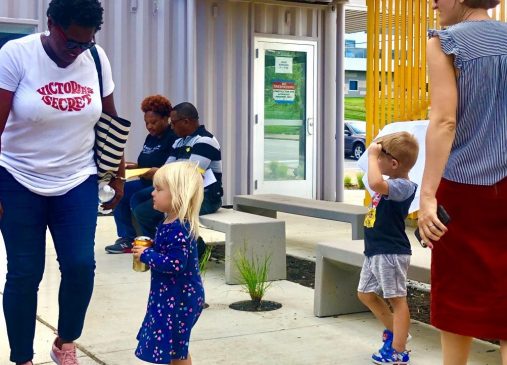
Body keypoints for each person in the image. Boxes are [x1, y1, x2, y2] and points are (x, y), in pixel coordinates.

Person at [0, 1, 125, 364]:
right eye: (71, 42)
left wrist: (117, 174)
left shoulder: (96, 58)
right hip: (18, 177)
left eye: (85, 43)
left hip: (77, 178)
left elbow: (110, 119)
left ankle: (65, 341)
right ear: (51, 24)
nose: (76, 52)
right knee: (25, 272)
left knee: (80, 265)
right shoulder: (16, 55)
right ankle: (22, 356)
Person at [418, 1, 507, 364]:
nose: (434, 2)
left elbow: (444, 121)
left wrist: (426, 194)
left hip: (464, 189)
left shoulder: (445, 42)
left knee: (457, 295)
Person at [132, 161, 205, 365]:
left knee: (177, 349)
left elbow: (175, 264)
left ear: (178, 194)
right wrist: (153, 247)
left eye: (158, 189)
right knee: (175, 347)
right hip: (170, 296)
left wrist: (147, 255)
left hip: (180, 298)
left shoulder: (179, 228)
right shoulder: (169, 222)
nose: (152, 193)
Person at [357, 132, 419, 364]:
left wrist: (373, 155)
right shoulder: (391, 183)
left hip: (391, 252)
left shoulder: (403, 186)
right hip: (375, 250)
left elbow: (375, 182)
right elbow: (374, 182)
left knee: (397, 299)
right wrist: (376, 155)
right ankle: (397, 332)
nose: (374, 160)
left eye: (379, 157)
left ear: (393, 163)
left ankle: (398, 351)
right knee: (365, 293)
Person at [131, 102, 223, 253]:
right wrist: (158, 173)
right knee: (138, 197)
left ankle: (192, 248)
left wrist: (160, 173)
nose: (171, 128)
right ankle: (162, 242)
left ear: (186, 121)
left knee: (146, 212)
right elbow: (167, 170)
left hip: (203, 196)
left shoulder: (205, 140)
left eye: (173, 123)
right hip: (179, 192)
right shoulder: (179, 141)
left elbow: (190, 176)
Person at [105, 95, 177, 254]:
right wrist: (134, 166)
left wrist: (153, 171)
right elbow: (146, 162)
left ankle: (150, 240)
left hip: (161, 185)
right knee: (118, 193)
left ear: (166, 118)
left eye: (154, 122)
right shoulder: (150, 138)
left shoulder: (173, 137)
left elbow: (171, 167)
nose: (149, 126)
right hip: (145, 180)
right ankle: (127, 239)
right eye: (146, 123)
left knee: (136, 198)